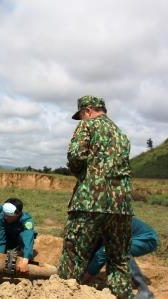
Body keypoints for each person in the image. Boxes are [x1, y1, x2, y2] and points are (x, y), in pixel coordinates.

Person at [58, 95, 134, 298]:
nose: (82, 119)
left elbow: (76, 156)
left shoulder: (88, 126)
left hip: (89, 202)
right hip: (122, 206)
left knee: (73, 258)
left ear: (88, 111)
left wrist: (81, 175)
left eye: (82, 115)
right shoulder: (121, 134)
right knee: (119, 260)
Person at [84, 217, 158, 299]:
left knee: (120, 250)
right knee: (114, 249)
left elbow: (103, 252)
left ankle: (144, 289)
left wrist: (85, 280)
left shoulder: (104, 221)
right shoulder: (94, 223)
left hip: (146, 238)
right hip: (131, 237)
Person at [0, 198, 37, 273]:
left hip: (18, 241)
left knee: (25, 235)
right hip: (7, 238)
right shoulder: (1, 217)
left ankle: (21, 253)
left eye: (9, 215)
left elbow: (28, 240)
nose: (6, 217)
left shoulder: (26, 221)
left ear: (18, 214)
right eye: (5, 214)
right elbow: (0, 239)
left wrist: (25, 261)